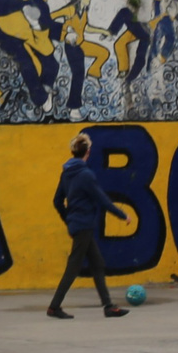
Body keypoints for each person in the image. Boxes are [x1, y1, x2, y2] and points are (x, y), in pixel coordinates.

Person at [47, 135, 127, 320]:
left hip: (78, 224)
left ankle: (108, 306)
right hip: (84, 225)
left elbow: (57, 201)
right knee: (73, 267)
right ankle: (54, 306)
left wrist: (68, 220)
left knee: (97, 263)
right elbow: (102, 199)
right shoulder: (86, 175)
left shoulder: (66, 173)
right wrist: (122, 215)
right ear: (88, 152)